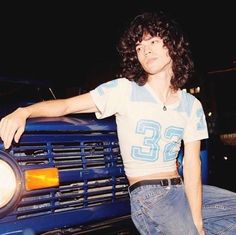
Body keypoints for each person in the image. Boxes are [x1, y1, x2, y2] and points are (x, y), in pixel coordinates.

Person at [0, 11, 236, 235]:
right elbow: (67, 106)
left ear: (171, 44)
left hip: (180, 190)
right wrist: (24, 111)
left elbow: (193, 164)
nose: (145, 51)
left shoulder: (191, 105)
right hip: (150, 195)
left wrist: (197, 221)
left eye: (152, 41)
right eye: (139, 47)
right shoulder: (124, 90)